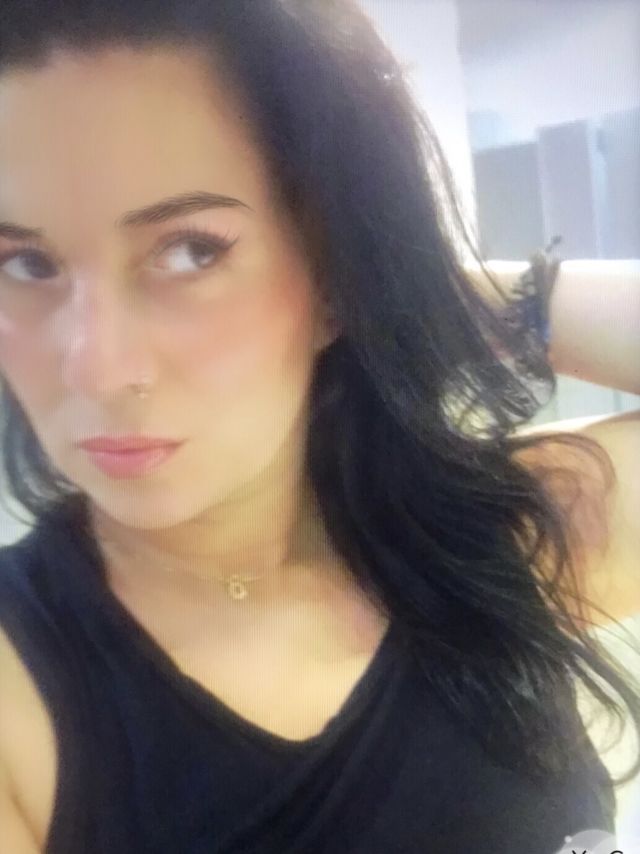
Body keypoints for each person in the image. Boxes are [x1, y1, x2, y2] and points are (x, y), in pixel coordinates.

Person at [0, 2, 638, 852]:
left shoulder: (491, 536)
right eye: (26, 263)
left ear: (331, 268)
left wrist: (414, 283)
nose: (96, 367)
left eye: (190, 250)